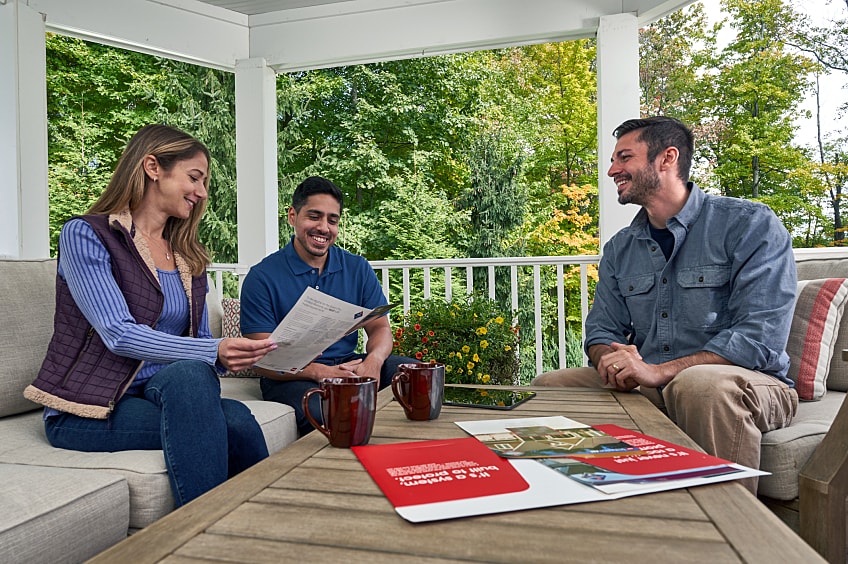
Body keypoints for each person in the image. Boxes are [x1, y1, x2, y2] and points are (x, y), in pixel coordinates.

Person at [533, 116, 798, 495]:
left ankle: (727, 531)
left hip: (752, 384)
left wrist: (660, 371)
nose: (612, 170)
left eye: (624, 157)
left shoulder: (749, 224)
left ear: (667, 158)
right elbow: (601, 329)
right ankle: (584, 512)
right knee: (552, 386)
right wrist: (610, 357)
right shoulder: (620, 248)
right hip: (653, 382)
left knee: (699, 386)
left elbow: (759, 337)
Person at [24, 124, 277, 507]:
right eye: (194, 178)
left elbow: (190, 346)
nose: (202, 192)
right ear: (153, 166)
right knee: (213, 396)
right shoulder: (86, 234)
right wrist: (213, 352)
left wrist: (232, 352)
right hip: (88, 409)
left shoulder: (185, 253)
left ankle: (260, 528)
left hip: (159, 394)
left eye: (204, 182)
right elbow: (118, 334)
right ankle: (202, 535)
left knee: (236, 415)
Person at [240, 175, 415, 437]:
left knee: (415, 378)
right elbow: (260, 358)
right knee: (332, 412)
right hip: (293, 376)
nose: (324, 227)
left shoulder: (357, 268)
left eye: (332, 220)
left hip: (350, 364)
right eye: (314, 216)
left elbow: (380, 329)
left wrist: (374, 362)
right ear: (292, 216)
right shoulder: (262, 277)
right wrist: (321, 372)